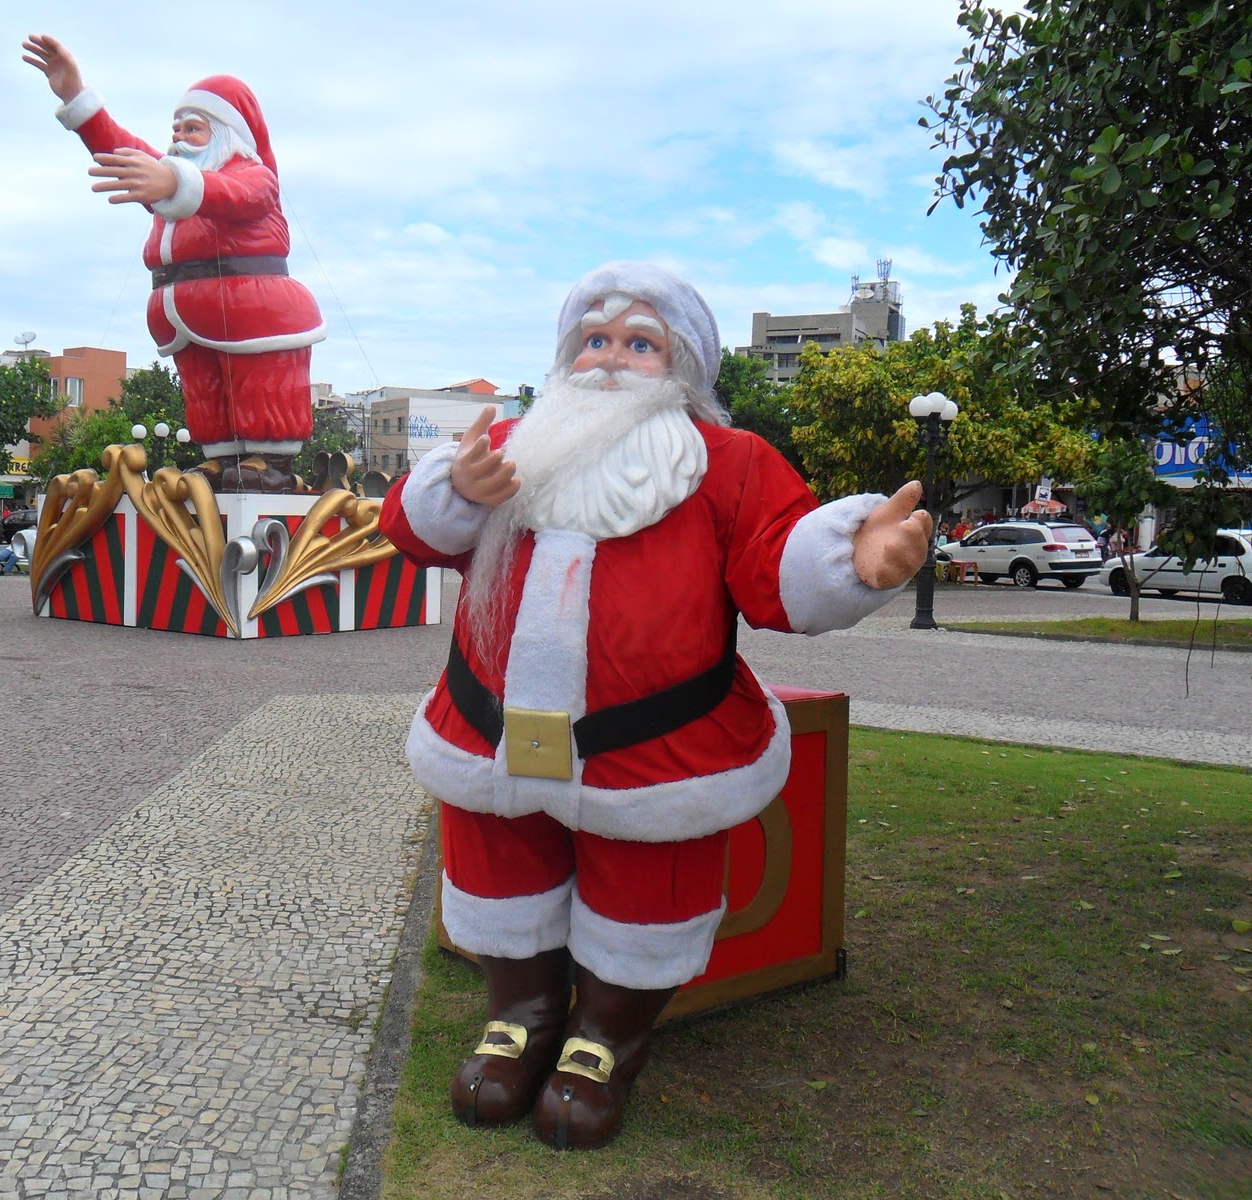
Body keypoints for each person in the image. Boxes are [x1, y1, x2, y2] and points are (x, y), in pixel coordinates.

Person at [379, 262, 930, 1151]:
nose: (609, 359)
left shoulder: (728, 463)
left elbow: (776, 567)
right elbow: (413, 531)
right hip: (489, 730)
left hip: (652, 752)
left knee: (647, 890)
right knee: (499, 873)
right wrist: (452, 492)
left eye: (639, 343)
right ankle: (519, 1014)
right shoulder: (509, 445)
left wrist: (851, 563)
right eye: (594, 340)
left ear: (681, 365)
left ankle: (607, 1037)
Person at [24, 33, 325, 494]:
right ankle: (220, 457)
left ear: (226, 135)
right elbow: (125, 153)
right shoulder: (173, 184)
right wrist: (76, 98)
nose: (180, 138)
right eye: (177, 128)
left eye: (194, 128)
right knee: (204, 389)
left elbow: (236, 195)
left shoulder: (252, 176)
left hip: (254, 310)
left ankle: (271, 461)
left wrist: (174, 181)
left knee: (258, 384)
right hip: (184, 310)